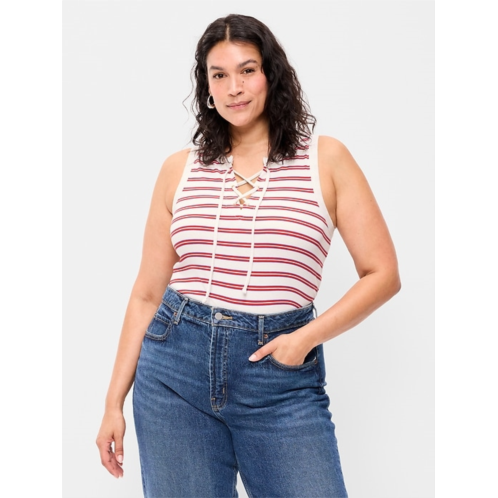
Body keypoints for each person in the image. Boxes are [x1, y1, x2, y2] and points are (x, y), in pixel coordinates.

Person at [96, 13, 401, 498]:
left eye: (247, 70)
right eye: (219, 75)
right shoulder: (180, 170)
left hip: (278, 375)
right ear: (207, 88)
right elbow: (147, 294)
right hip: (174, 371)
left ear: (271, 74)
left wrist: (303, 339)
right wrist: (113, 402)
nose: (234, 88)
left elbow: (382, 273)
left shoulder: (325, 159)